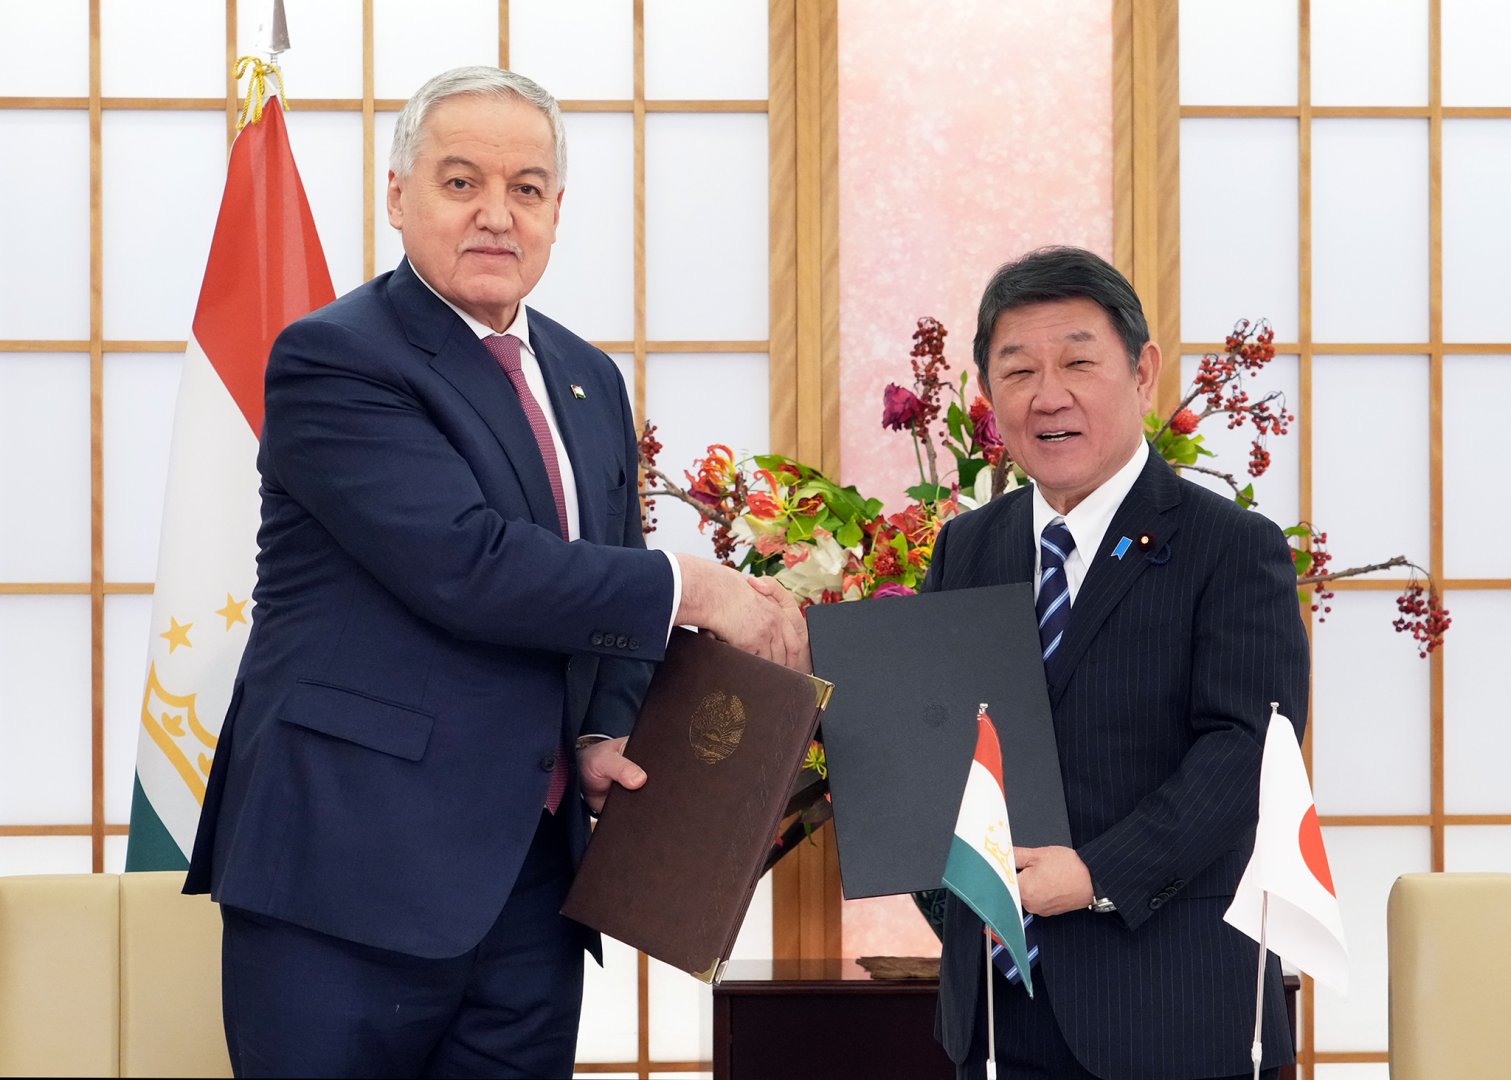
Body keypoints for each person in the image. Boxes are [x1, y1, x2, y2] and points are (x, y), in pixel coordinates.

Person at [184, 66, 807, 1079]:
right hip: (346, 871)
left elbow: (602, 575)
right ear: (398, 196)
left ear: (556, 211)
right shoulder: (334, 358)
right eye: (460, 181)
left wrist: (602, 728)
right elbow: (467, 566)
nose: (496, 214)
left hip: (533, 885)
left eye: (526, 188)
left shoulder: (586, 377)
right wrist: (698, 589)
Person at [924, 246, 1309, 1080]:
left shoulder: (1231, 547)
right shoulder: (966, 547)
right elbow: (933, 741)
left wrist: (1095, 873)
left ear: (1141, 372)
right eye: (1017, 370)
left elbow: (1243, 754)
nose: (1047, 395)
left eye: (1077, 362)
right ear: (988, 395)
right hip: (996, 1011)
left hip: (1169, 1011)